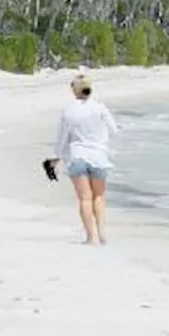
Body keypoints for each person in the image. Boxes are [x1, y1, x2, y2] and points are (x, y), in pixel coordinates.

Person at [53, 74, 119, 245]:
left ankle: (91, 237)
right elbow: (114, 131)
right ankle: (102, 234)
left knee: (85, 198)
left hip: (77, 156)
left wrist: (58, 156)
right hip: (99, 156)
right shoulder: (100, 108)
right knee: (99, 197)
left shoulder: (69, 111)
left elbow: (61, 139)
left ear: (75, 91)